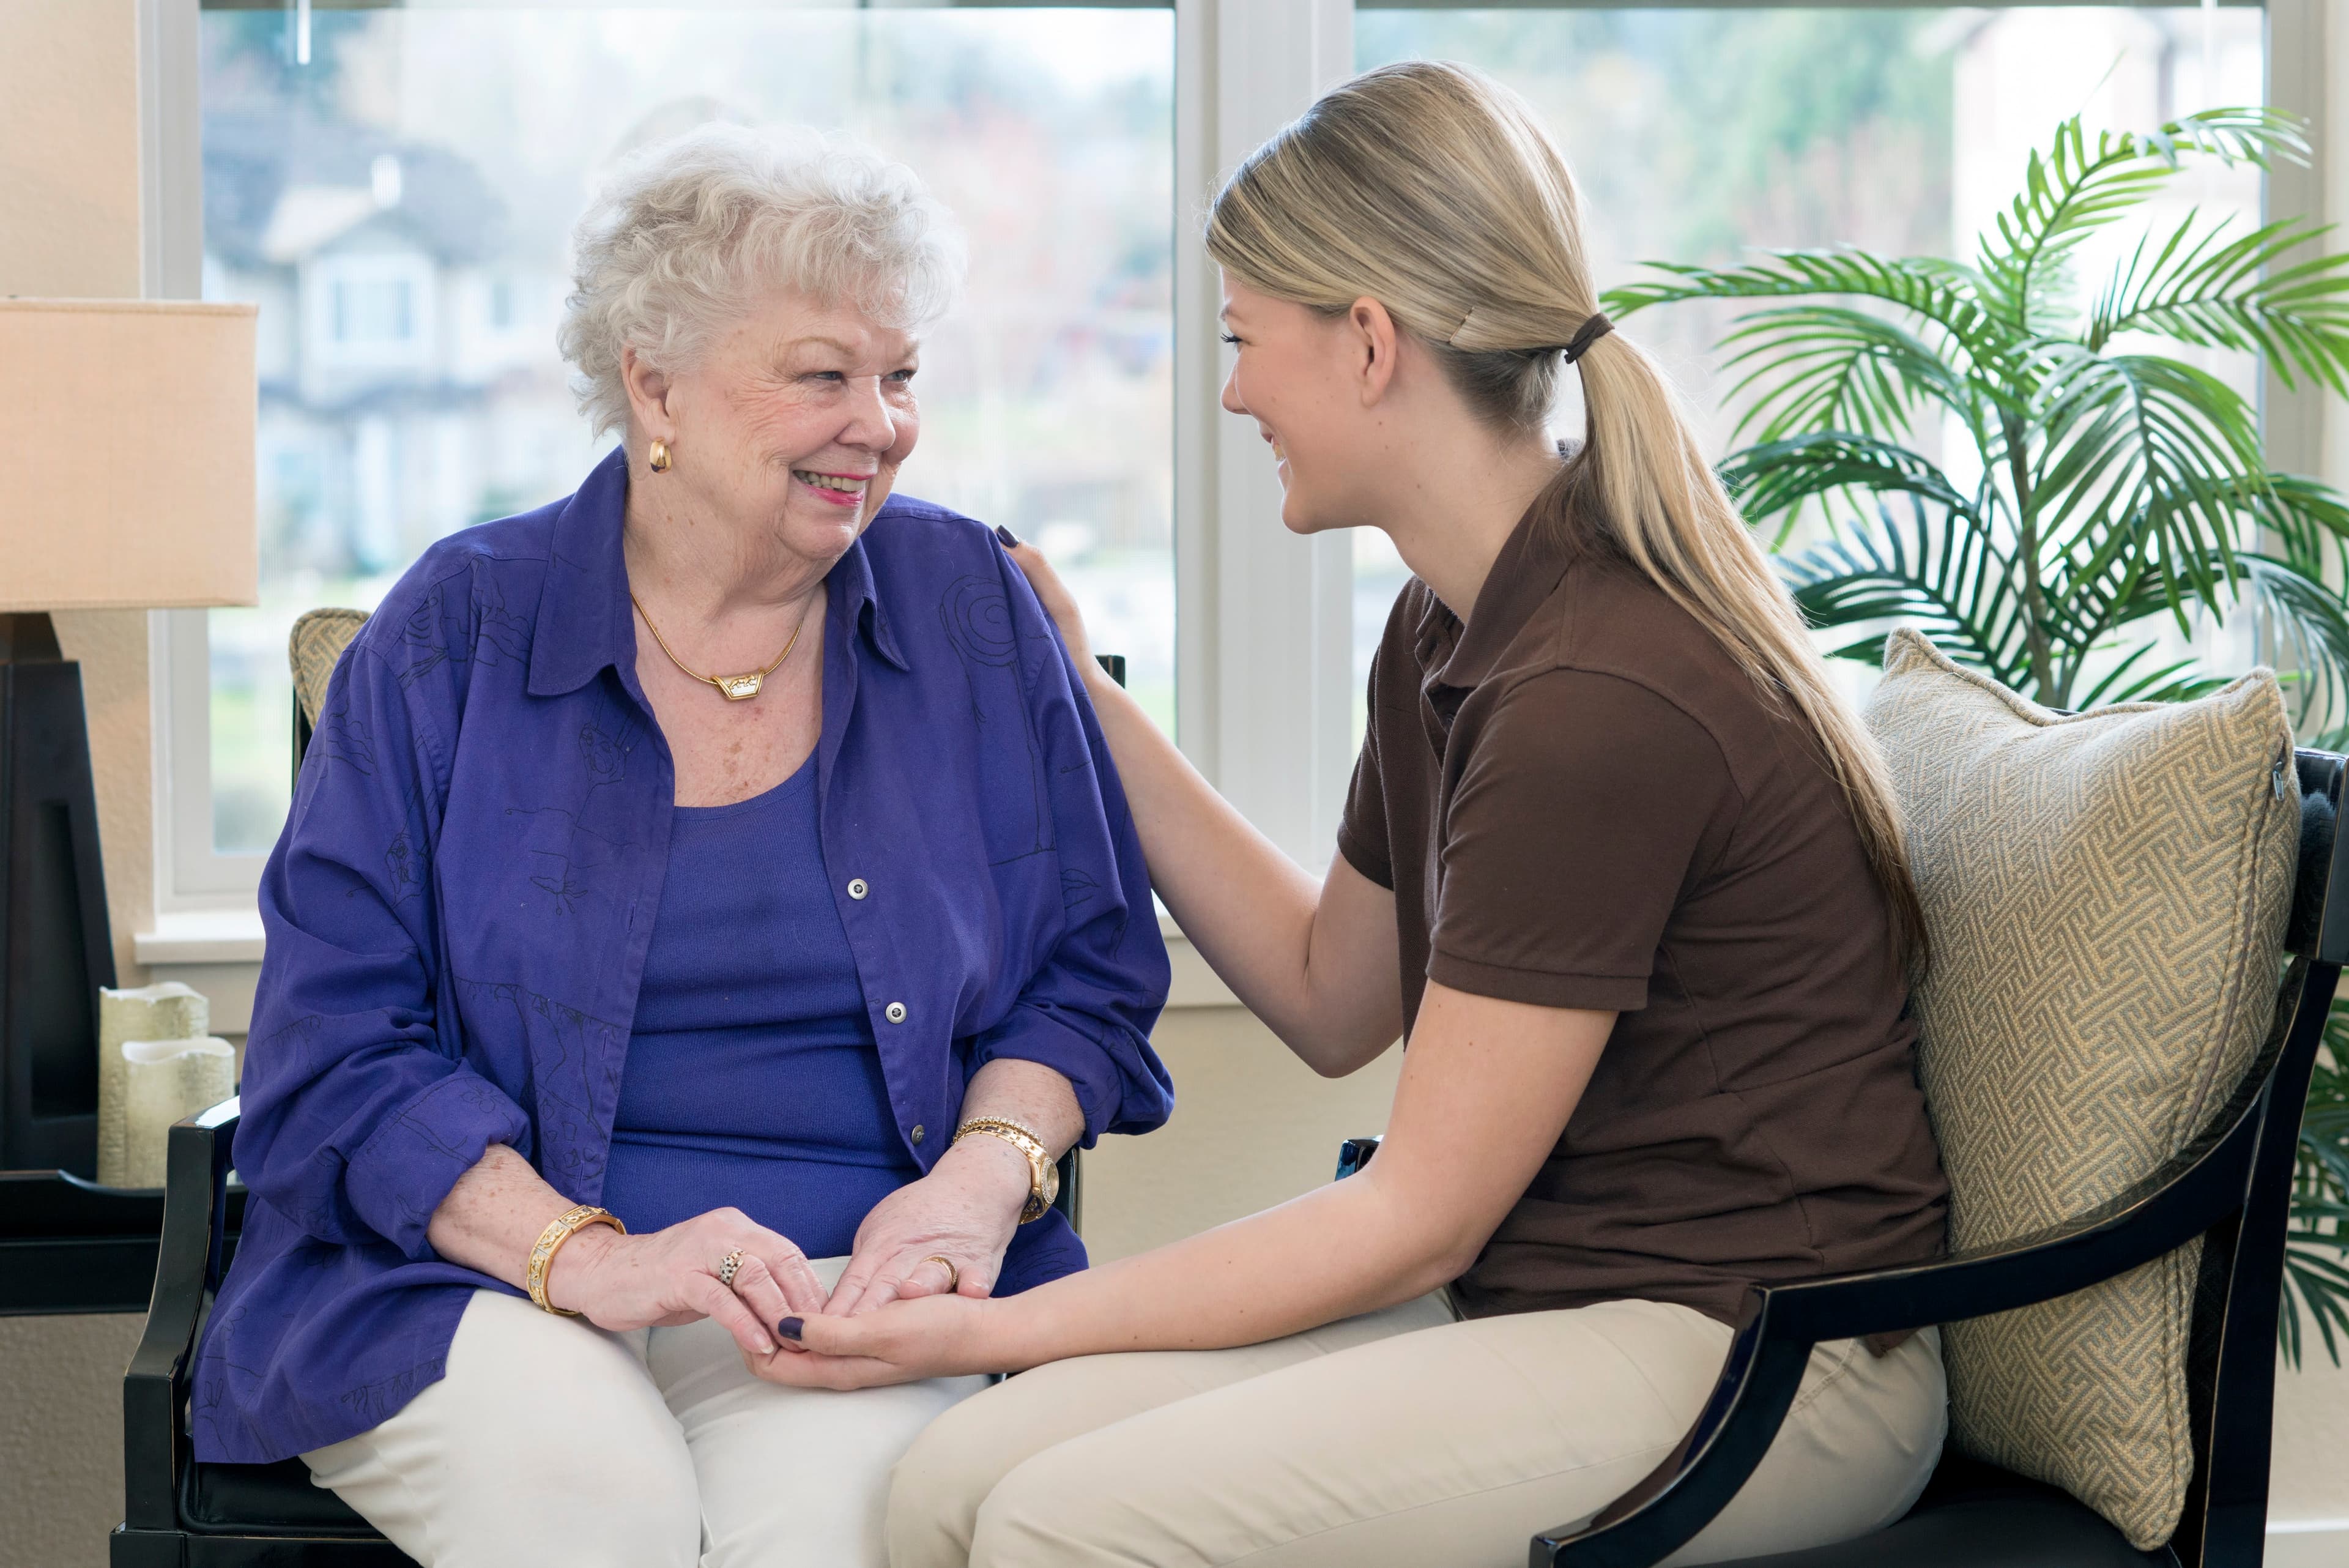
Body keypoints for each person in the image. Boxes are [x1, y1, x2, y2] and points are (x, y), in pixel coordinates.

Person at [750, 61, 1952, 1568]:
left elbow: (1414, 1217)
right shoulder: (1449, 624)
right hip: (1549, 1297)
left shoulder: (1596, 693)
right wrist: (1083, 702)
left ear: (1371, 343)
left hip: (1764, 1356)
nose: (1235, 391)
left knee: (1059, 1524)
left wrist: (995, 1324)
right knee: (945, 1481)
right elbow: (1333, 994)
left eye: (1245, 340)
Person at [188, 124, 1172, 1568]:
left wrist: (976, 1188)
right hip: (480, 1282)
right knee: (595, 1510)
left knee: (838, 1537)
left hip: (856, 1292)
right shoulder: (455, 631)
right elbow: (329, 1050)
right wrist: (592, 1257)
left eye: (900, 376)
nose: (880, 425)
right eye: (823, 376)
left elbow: (1086, 975)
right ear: (653, 383)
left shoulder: (969, 603)